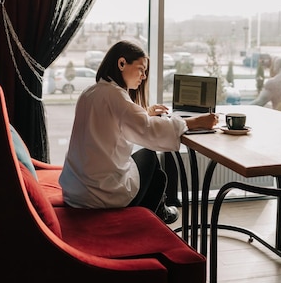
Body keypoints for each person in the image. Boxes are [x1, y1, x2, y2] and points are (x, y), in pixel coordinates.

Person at [59, 40, 218, 224]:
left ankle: (158, 212)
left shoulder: (91, 92)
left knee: (157, 175)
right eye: (141, 69)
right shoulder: (116, 97)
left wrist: (145, 113)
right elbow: (149, 131)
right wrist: (196, 121)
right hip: (98, 194)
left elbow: (117, 120)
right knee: (149, 156)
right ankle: (150, 218)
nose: (143, 76)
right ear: (121, 63)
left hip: (77, 189)